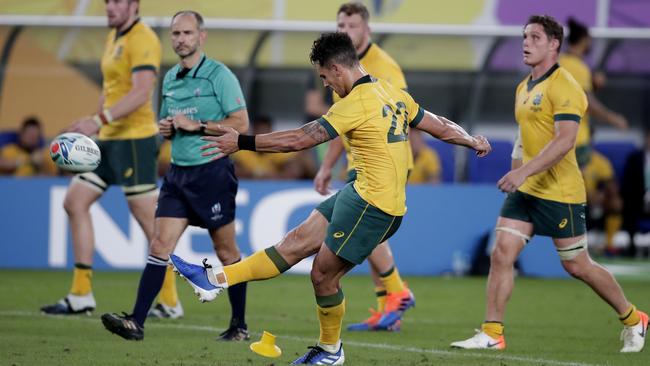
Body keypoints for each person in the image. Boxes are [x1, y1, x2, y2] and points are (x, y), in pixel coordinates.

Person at [170, 32, 490, 364]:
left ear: (337, 68)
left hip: (374, 206)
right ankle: (214, 279)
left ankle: (330, 350)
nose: (325, 85)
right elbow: (436, 123)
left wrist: (243, 143)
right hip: (359, 193)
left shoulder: (354, 103)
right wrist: (470, 139)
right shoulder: (390, 91)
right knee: (294, 242)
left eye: (324, 76)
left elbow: (298, 139)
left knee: (323, 275)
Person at [450, 15, 648, 353]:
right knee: (501, 253)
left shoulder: (566, 86)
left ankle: (633, 318)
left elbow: (565, 141)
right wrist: (516, 175)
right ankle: (492, 332)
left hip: (561, 193)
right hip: (526, 192)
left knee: (577, 265)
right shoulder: (523, 87)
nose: (526, 43)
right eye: (524, 36)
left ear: (554, 44)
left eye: (535, 37)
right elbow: (521, 139)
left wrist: (523, 173)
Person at [100, 10, 250, 341]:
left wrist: (198, 126)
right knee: (159, 243)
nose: (180, 39)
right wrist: (166, 129)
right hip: (177, 175)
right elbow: (170, 124)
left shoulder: (219, 76)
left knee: (226, 252)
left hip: (212, 174)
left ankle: (239, 324)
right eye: (175, 34)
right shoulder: (169, 78)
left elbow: (241, 124)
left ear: (201, 36)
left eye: (186, 33)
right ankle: (136, 322)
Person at [39, 0, 184, 318]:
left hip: (135, 139)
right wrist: (94, 120)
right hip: (108, 139)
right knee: (74, 202)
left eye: (117, 1)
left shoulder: (142, 38)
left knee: (150, 223)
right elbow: (112, 88)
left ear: (134, 5)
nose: (109, 7)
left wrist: (99, 120)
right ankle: (80, 295)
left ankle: (171, 301)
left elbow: (141, 92)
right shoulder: (114, 36)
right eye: (106, 2)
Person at [312, 1, 415, 332]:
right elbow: (339, 124)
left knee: (367, 225)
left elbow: (405, 115)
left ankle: (397, 291)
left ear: (367, 29)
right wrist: (327, 166)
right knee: (369, 230)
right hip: (358, 159)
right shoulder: (338, 66)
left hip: (384, 160)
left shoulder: (385, 66)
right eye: (341, 26)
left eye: (352, 26)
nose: (346, 31)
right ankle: (388, 310)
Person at [559, 17, 628, 169]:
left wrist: (593, 85)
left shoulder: (559, 61)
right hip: (576, 139)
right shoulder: (580, 68)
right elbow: (586, 102)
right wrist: (613, 118)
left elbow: (568, 97)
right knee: (576, 189)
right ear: (584, 40)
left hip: (556, 137)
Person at [231, 115, 316, 180]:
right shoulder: (242, 150)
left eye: (264, 131)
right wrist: (256, 175)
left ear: (271, 132)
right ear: (253, 131)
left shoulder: (280, 149)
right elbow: (233, 170)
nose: (261, 135)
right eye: (258, 131)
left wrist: (268, 177)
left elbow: (294, 171)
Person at [621, 127, 650, 258]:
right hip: (637, 199)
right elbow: (627, 182)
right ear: (646, 138)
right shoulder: (634, 158)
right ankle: (631, 247)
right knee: (628, 206)